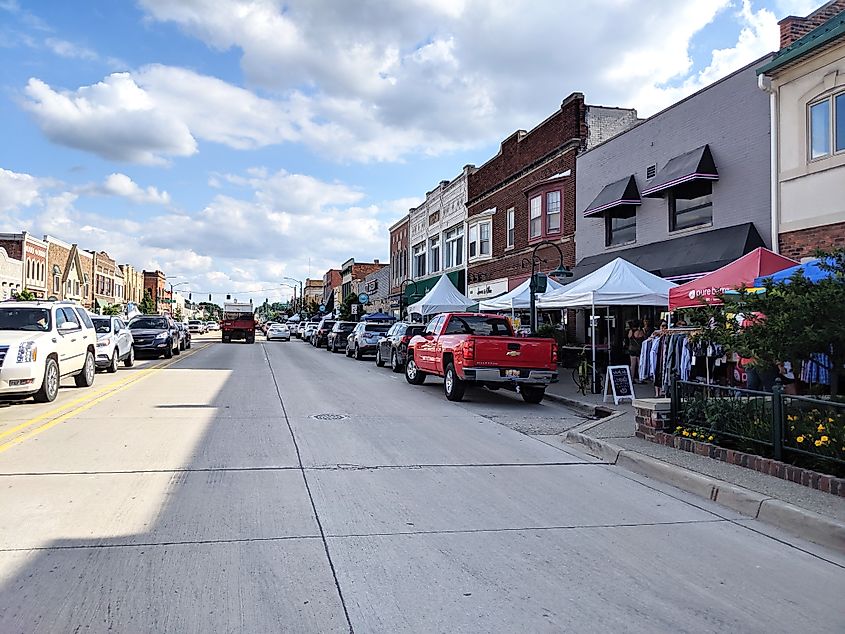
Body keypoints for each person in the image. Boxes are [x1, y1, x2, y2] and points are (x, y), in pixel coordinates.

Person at [626, 320, 646, 384]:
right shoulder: (640, 332)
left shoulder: (630, 331)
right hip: (639, 349)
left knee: (632, 365)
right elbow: (644, 338)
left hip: (631, 349)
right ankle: (640, 378)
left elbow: (629, 338)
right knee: (640, 364)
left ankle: (631, 378)